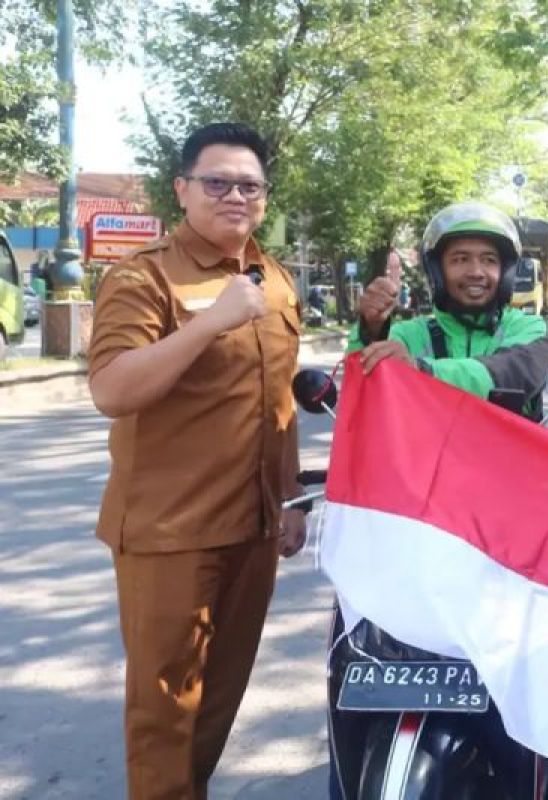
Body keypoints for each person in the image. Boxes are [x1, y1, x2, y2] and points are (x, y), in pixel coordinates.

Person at [341, 201, 548, 800]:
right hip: (424, 530)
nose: (475, 271)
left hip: (514, 534)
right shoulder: (409, 332)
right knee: (354, 650)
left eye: (488, 260)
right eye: (460, 258)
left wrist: (425, 371)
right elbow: (366, 381)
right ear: (438, 271)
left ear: (507, 273)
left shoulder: (528, 330)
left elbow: (514, 373)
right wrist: (372, 332)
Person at [88, 122, 305, 800]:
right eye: (217, 182)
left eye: (249, 185)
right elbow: (113, 389)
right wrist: (209, 322)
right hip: (169, 531)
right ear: (182, 190)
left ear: (265, 198)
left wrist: (292, 495)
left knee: (216, 702)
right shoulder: (143, 275)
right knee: (164, 714)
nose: (234, 195)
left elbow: (281, 400)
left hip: (255, 525)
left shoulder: (272, 278)